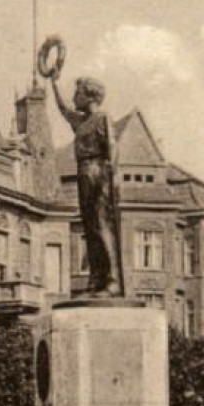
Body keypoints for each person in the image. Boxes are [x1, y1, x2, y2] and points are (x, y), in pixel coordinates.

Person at [51, 74, 123, 296]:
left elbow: (113, 148)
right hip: (83, 172)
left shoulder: (102, 118)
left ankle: (112, 281)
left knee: (103, 225)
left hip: (98, 171)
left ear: (90, 95)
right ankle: (96, 280)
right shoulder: (81, 122)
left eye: (78, 93)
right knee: (89, 228)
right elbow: (63, 110)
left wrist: (113, 177)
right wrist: (54, 82)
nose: (74, 98)